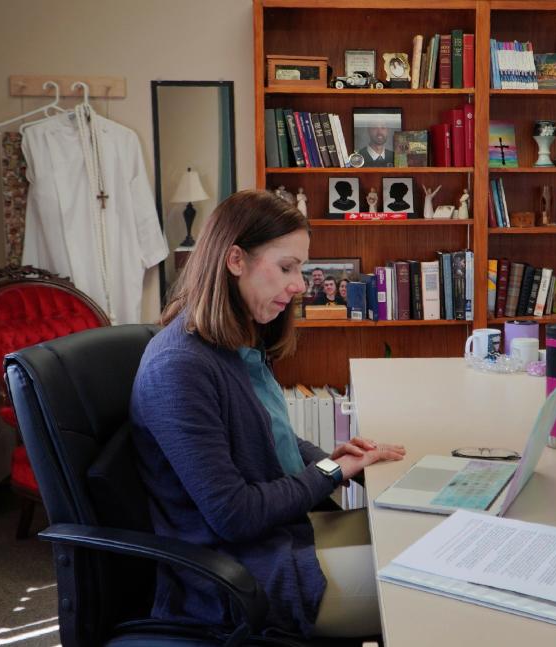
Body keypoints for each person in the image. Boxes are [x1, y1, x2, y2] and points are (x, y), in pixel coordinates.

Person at [130, 190, 405, 640]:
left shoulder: (234, 342)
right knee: (441, 591)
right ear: (235, 260)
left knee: (420, 539)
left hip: (284, 538)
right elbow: (233, 515)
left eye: (300, 268)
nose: (300, 284)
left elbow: (270, 433)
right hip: (241, 576)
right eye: (286, 267)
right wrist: (332, 470)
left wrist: (340, 458)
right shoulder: (178, 368)